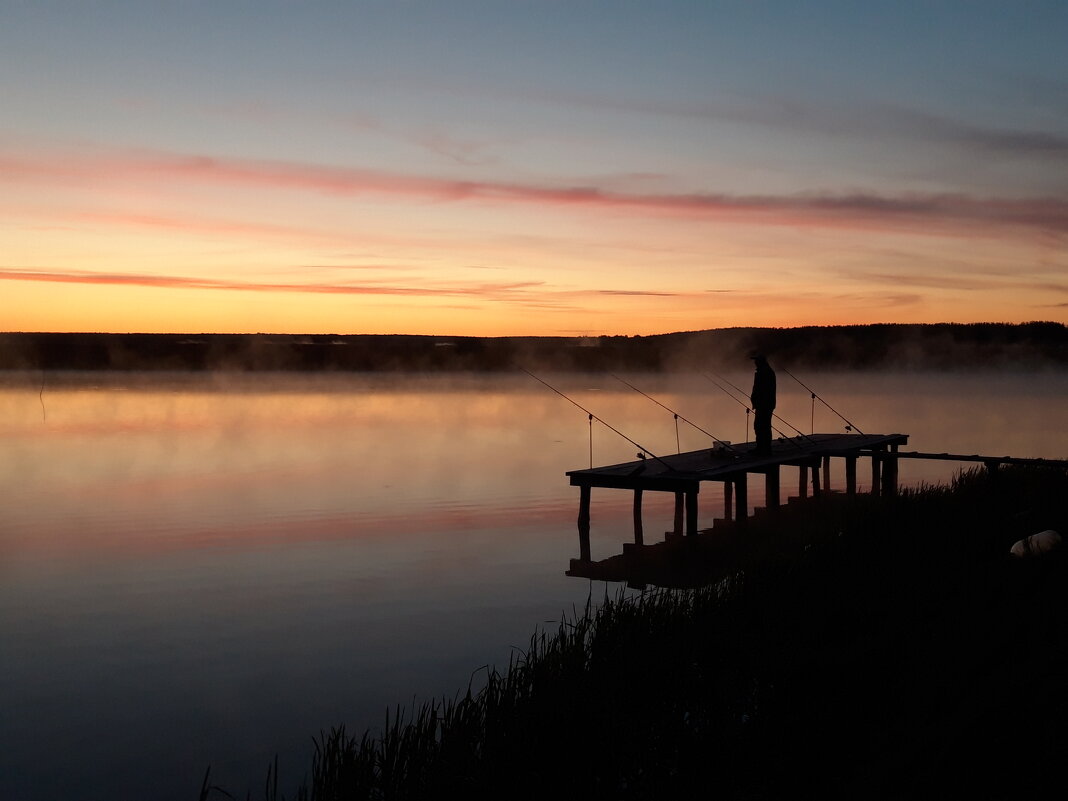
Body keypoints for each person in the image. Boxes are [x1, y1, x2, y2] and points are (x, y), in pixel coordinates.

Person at [750, 354, 776, 455]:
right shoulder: (765, 371)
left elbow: (762, 390)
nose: (755, 362)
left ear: (761, 361)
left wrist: (757, 400)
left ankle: (763, 448)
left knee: (761, 426)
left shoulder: (764, 372)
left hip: (764, 404)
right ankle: (763, 447)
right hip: (765, 404)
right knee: (763, 426)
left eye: (756, 360)